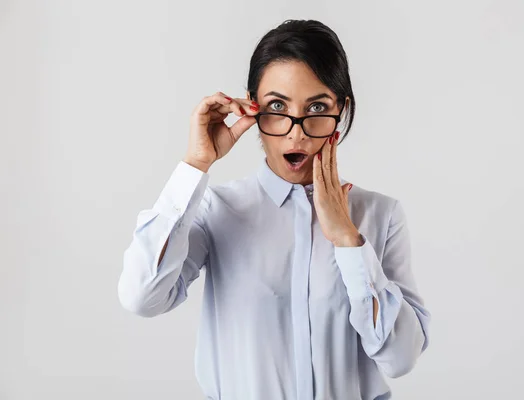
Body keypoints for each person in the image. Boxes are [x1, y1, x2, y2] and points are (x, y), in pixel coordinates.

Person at [118, 19, 431, 400]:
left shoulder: (380, 216)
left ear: (341, 110)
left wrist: (349, 242)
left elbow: (401, 359)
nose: (296, 132)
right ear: (253, 108)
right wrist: (195, 164)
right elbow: (141, 297)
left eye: (317, 106)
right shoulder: (218, 210)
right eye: (277, 106)